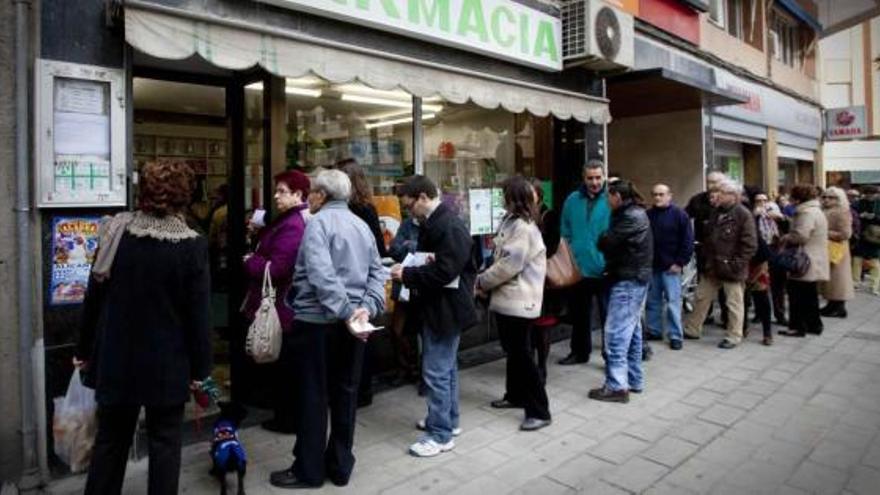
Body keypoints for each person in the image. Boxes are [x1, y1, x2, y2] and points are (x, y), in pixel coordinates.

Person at [75, 161, 212, 495]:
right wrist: (201, 371)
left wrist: (82, 350)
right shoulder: (192, 245)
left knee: (110, 441)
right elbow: (198, 316)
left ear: (144, 192)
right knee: (165, 444)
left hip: (116, 358)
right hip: (167, 364)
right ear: (184, 196)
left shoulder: (116, 233)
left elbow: (93, 297)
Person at [270, 170, 385, 489]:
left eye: (312, 193)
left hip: (317, 325)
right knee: (345, 395)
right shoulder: (361, 226)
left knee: (312, 397)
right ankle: (340, 465)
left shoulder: (317, 224)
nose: (309, 199)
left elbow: (321, 277)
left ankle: (309, 470)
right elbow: (379, 272)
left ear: (321, 195)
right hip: (354, 327)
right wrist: (367, 307)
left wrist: (349, 312)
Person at [390, 175, 477, 458]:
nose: (408, 212)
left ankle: (439, 435)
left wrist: (407, 274)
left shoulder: (448, 225)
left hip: (445, 309)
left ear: (424, 198)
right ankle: (448, 422)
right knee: (446, 368)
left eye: (409, 205)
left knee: (436, 372)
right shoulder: (438, 222)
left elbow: (444, 271)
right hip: (441, 308)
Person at [476, 176, 551, 431]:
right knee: (515, 352)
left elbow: (510, 264)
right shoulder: (511, 221)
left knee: (522, 355)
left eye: (504, 194)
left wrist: (482, 282)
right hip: (508, 300)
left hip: (520, 300)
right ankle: (516, 396)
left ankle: (540, 410)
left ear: (514, 198)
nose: (501, 198)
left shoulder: (524, 228)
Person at [242, 170, 310, 434]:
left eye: (282, 191)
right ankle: (284, 415)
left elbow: (279, 268)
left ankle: (287, 419)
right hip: (281, 304)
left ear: (298, 195)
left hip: (280, 305)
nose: (276, 196)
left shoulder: (293, 225)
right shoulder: (288, 219)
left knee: (284, 368)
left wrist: (251, 261)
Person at [589, 180, 653, 403]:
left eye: (609, 196)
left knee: (616, 333)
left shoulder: (629, 216)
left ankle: (617, 386)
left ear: (617, 196)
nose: (607, 201)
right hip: (634, 278)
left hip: (628, 280)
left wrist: (603, 237)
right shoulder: (635, 213)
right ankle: (634, 379)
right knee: (633, 331)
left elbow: (606, 242)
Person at [337, 159, 387, 409]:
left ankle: (358, 391)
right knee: (361, 338)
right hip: (364, 279)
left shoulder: (350, 211)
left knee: (354, 340)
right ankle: (362, 390)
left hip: (350, 279)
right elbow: (379, 247)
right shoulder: (367, 208)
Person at [683, 180, 757, 349]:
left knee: (733, 303)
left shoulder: (743, 214)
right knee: (701, 297)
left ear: (733, 196)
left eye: (722, 193)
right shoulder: (715, 212)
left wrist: (735, 264)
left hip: (731, 268)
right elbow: (708, 238)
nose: (717, 196)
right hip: (713, 266)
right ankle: (692, 329)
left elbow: (750, 245)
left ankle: (733, 336)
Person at [557, 160, 611, 365]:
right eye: (590, 178)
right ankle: (579, 352)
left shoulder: (611, 198)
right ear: (584, 178)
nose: (594, 182)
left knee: (609, 317)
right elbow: (565, 229)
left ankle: (611, 357)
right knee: (579, 315)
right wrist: (570, 253)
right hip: (579, 268)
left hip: (605, 268)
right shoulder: (572, 199)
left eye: (598, 177)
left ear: (604, 176)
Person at [645, 184, 694, 350]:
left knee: (673, 302)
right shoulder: (647, 215)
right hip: (652, 266)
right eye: (655, 195)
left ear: (669, 196)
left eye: (661, 194)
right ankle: (654, 330)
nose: (657, 197)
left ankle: (675, 335)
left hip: (671, 267)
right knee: (652, 302)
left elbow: (687, 242)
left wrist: (680, 262)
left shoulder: (680, 215)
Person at [779, 184, 829, 337]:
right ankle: (814, 325)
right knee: (809, 294)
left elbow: (801, 236)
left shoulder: (805, 213)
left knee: (797, 294)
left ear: (798, 198)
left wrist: (785, 237)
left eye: (792, 196)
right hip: (814, 258)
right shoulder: (816, 210)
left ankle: (797, 327)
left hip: (803, 260)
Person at [528, 177, 561, 384]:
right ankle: (530, 365)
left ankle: (542, 367)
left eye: (531, 193)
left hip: (544, 280)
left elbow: (552, 245)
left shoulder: (549, 215)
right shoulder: (520, 216)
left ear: (539, 195)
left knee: (543, 326)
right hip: (527, 280)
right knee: (529, 326)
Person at [686, 172, 727, 325]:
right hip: (704, 250)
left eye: (716, 182)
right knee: (704, 284)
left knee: (725, 287)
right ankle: (705, 315)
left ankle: (727, 317)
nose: (712, 185)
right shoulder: (697, 200)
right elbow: (685, 217)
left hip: (725, 252)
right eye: (709, 182)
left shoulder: (729, 201)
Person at [387, 214, 421, 386]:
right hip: (404, 286)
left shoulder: (434, 223)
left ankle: (420, 371)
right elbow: (393, 249)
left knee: (422, 332)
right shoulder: (407, 224)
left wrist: (409, 245)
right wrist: (408, 247)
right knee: (396, 330)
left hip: (422, 286)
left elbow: (429, 253)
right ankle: (405, 367)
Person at [745, 190, 777, 346]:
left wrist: (753, 277)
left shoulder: (753, 228)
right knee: (742, 299)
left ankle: (767, 332)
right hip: (743, 265)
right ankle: (743, 327)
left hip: (758, 263)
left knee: (761, 297)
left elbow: (765, 255)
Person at [820, 187, 855, 318]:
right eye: (824, 197)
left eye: (831, 197)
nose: (826, 200)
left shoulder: (843, 211)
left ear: (839, 199)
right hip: (827, 248)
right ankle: (831, 305)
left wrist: (824, 233)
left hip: (838, 249)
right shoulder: (824, 210)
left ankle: (839, 307)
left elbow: (846, 234)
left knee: (838, 280)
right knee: (830, 280)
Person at [853, 185, 880, 295]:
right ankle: (855, 283)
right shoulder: (859, 203)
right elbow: (853, 215)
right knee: (857, 260)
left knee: (875, 262)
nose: (870, 196)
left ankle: (874, 285)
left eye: (872, 194)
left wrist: (874, 217)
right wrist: (860, 216)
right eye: (868, 194)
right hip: (861, 236)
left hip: (876, 237)